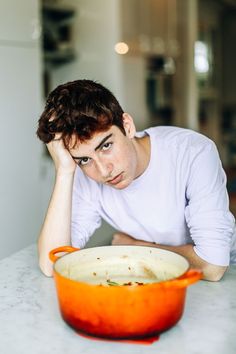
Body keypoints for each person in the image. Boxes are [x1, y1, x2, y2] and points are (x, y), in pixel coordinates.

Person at [36, 79, 236, 281]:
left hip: (221, 282)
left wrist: (137, 247)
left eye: (106, 146)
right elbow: (53, 263)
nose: (104, 170)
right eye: (85, 159)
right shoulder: (85, 175)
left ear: (127, 126)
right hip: (154, 277)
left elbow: (213, 266)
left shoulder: (193, 152)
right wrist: (64, 170)